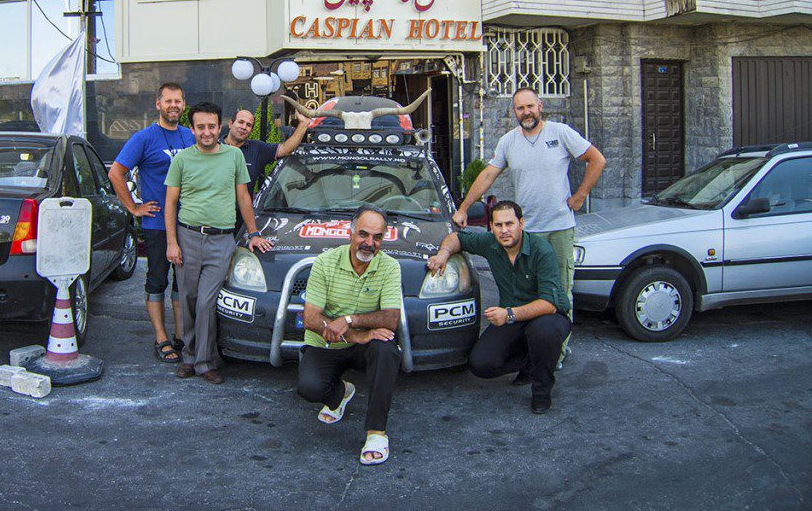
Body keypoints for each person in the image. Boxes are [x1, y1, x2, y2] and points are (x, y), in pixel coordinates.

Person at [452, 86, 604, 359]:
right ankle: (529, 350)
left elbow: (597, 159)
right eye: (520, 108)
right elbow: (488, 175)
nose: (526, 112)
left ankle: (556, 354)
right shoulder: (509, 141)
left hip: (558, 228)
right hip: (526, 232)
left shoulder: (560, 133)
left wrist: (580, 196)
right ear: (514, 112)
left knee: (559, 293)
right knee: (527, 293)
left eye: (530, 106)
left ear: (540, 106)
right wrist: (463, 208)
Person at [164, 101, 272, 384]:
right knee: (187, 300)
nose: (207, 132)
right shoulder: (182, 160)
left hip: (221, 240)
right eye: (201, 127)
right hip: (187, 238)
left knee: (206, 303)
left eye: (212, 126)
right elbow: (170, 203)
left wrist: (254, 233)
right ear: (192, 129)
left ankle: (204, 361)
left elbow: (244, 198)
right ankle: (189, 357)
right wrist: (171, 243)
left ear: (220, 126)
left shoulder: (234, 157)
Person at [429, 200, 571, 414]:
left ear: (521, 223)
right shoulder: (491, 243)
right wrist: (443, 254)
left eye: (509, 224)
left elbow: (549, 304)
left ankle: (542, 390)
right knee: (480, 364)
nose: (504, 231)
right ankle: (529, 362)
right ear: (491, 226)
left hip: (547, 315)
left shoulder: (541, 251)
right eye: (498, 225)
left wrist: (509, 314)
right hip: (512, 316)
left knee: (544, 332)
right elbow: (455, 238)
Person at [296, 205, 403, 466]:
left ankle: (377, 433)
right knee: (309, 388)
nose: (369, 243)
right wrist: (357, 335)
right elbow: (310, 319)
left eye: (377, 237)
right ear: (350, 233)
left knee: (386, 349)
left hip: (364, 346)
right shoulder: (325, 262)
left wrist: (349, 321)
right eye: (363, 235)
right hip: (327, 343)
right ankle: (342, 392)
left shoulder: (390, 266)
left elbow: (391, 319)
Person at [108, 83, 194, 365]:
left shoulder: (190, 135)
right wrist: (133, 206)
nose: (173, 105)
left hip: (187, 223)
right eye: (168, 100)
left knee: (182, 282)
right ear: (158, 104)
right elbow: (116, 173)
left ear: (183, 105)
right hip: (156, 223)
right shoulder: (143, 138)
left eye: (178, 101)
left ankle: (182, 335)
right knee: (157, 280)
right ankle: (161, 337)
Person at [223, 108, 310, 226]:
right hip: (214, 220)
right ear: (230, 123)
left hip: (242, 222)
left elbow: (285, 149)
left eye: (248, 125)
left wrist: (304, 123)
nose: (244, 127)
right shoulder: (215, 147)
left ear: (251, 130)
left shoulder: (257, 149)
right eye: (240, 122)